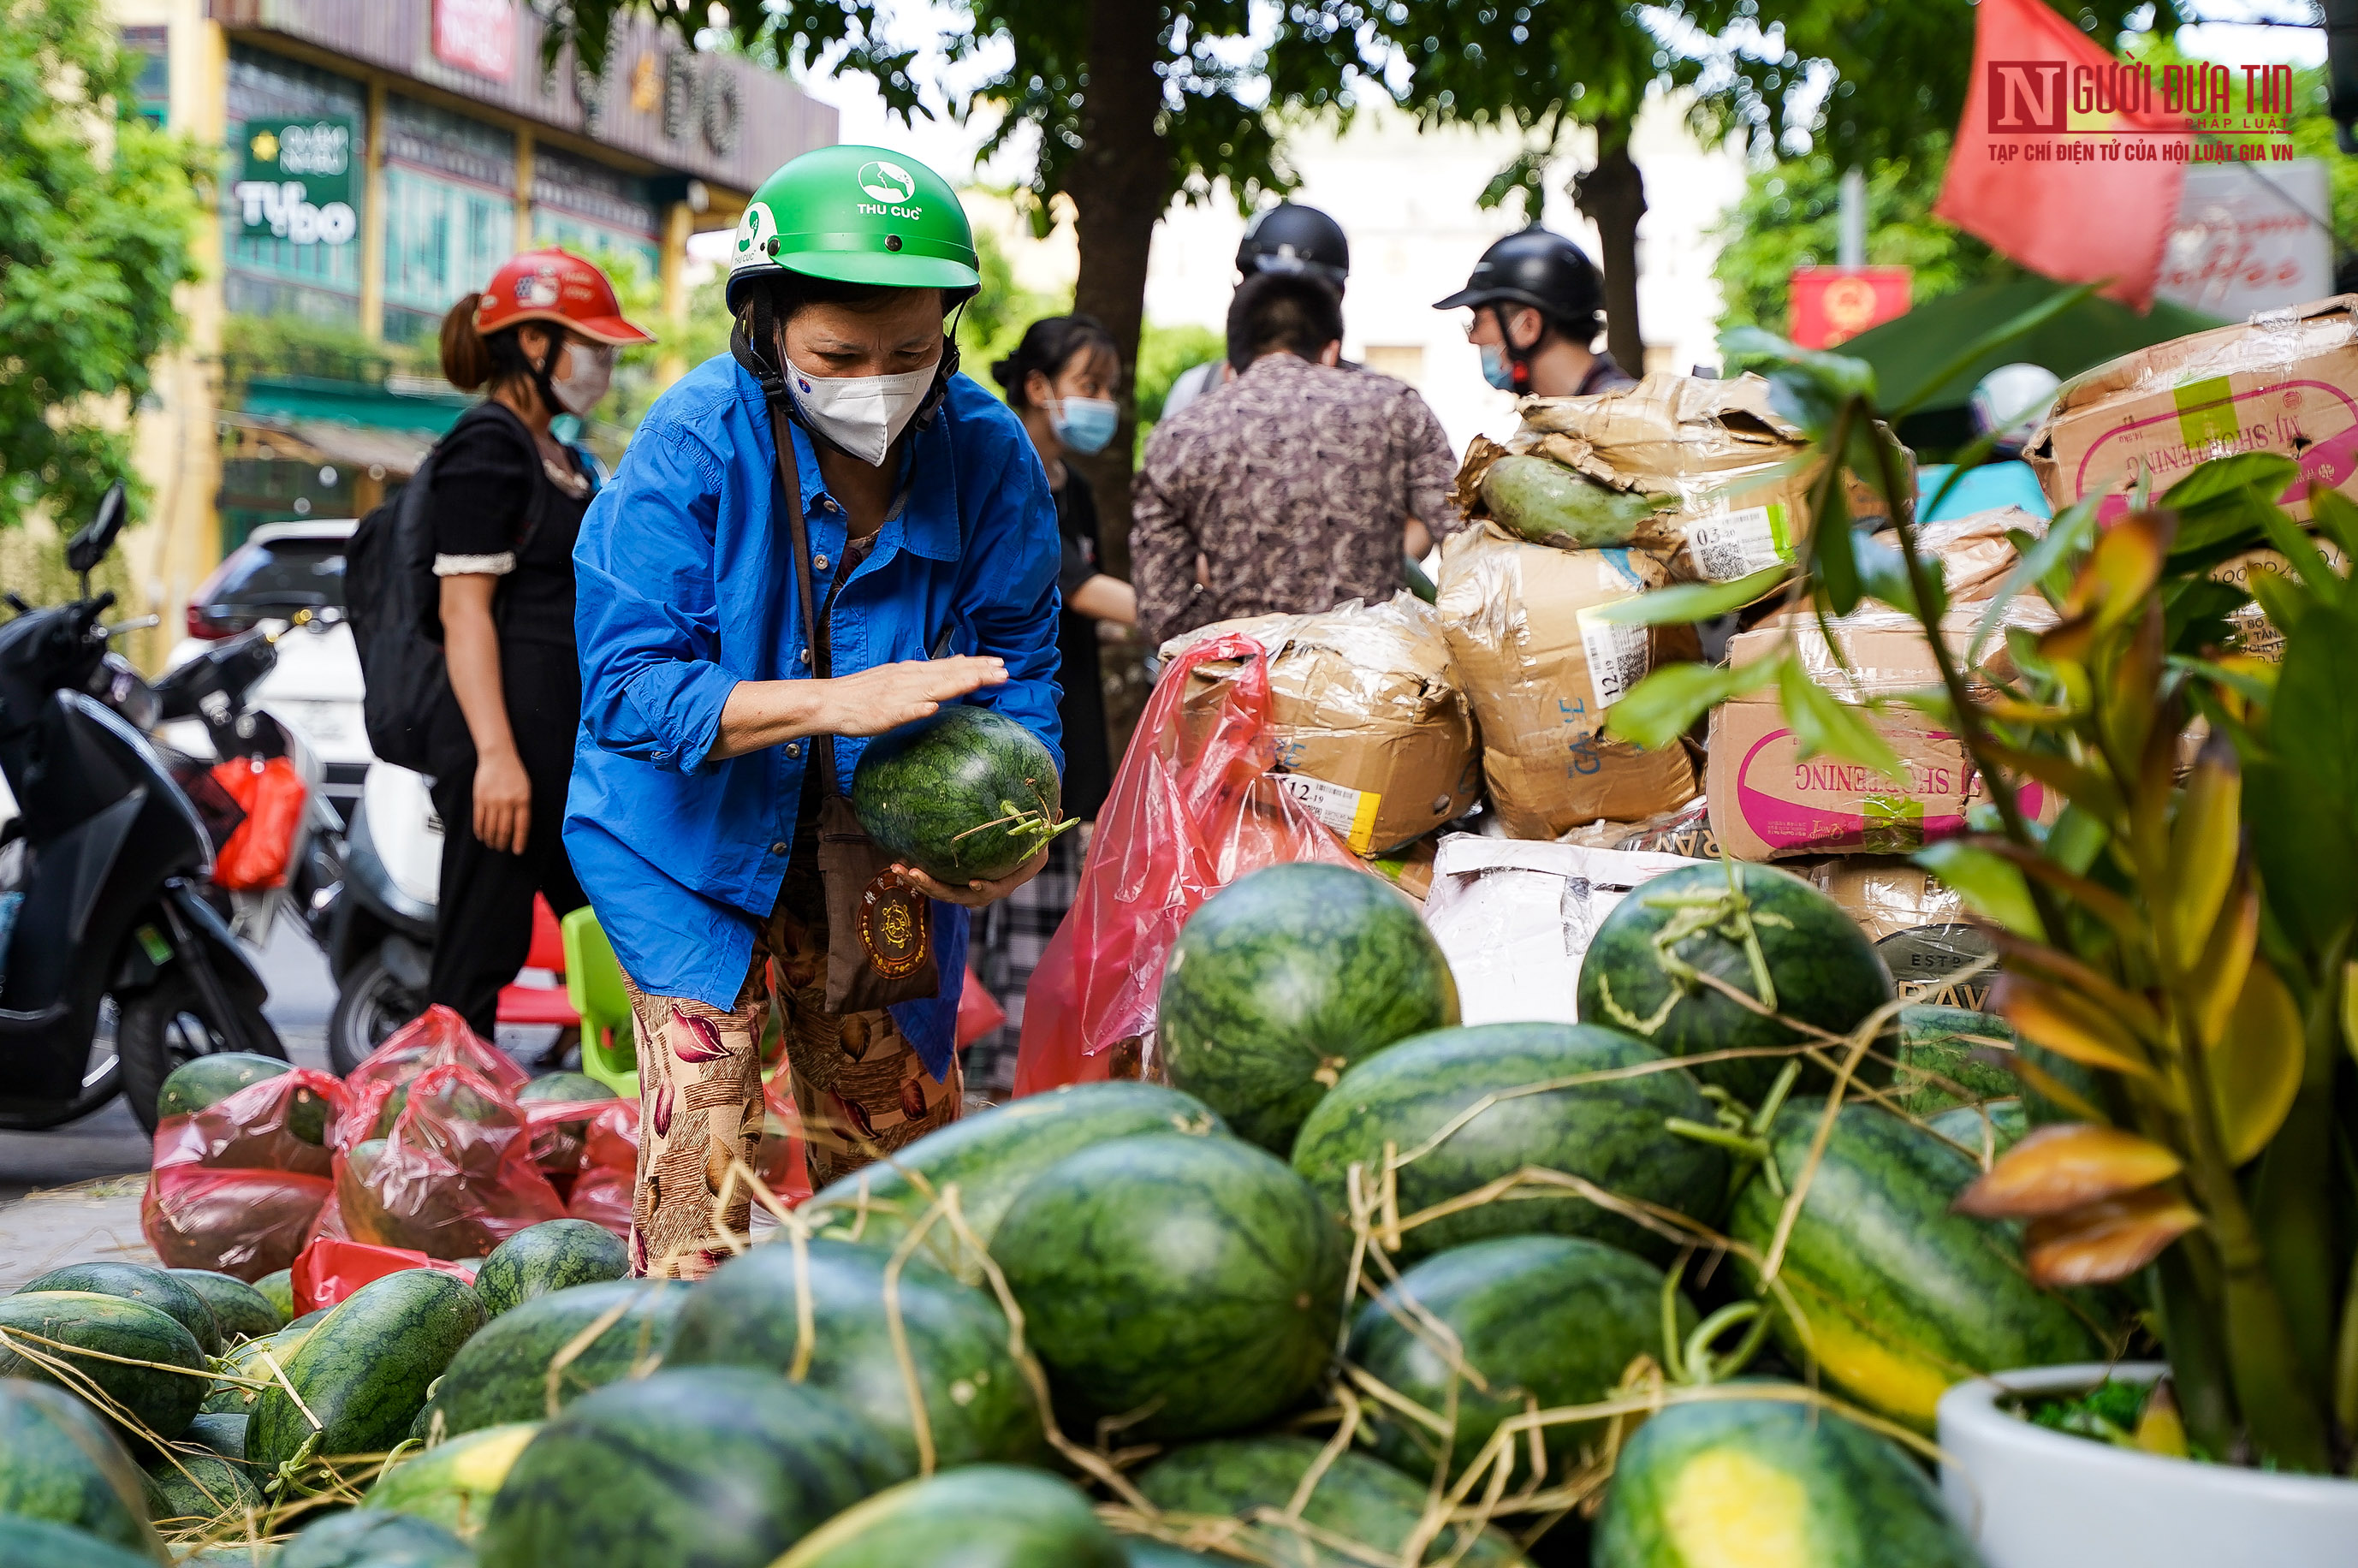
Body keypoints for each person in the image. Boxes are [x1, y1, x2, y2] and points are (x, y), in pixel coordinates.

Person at [567, 146, 1062, 1277]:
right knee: (704, 1149)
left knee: (887, 1174)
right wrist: (837, 702)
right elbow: (628, 687)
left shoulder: (988, 457)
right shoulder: (690, 443)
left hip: (878, 857)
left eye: (911, 352)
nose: (878, 381)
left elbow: (1021, 656)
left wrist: (1009, 836)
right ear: (766, 329)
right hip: (686, 843)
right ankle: (681, 1401)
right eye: (838, 354)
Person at [425, 249, 652, 1042]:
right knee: (475, 964)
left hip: (567, 757)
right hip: (506, 758)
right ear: (533, 345)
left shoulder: (560, 452)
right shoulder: (485, 446)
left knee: (626, 945)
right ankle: (437, 1144)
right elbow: (465, 611)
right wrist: (496, 757)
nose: (604, 365)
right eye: (592, 346)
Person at [970, 315, 1136, 1096]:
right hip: (997, 728)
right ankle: (980, 1079)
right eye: (1089, 387)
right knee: (991, 917)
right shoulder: (999, 468)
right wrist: (1192, 613)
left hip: (1061, 723)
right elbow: (1075, 587)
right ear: (1037, 389)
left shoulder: (1076, 486)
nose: (1102, 404)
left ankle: (1023, 1079)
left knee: (1049, 916)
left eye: (1108, 390)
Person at [1131, 270, 1461, 654]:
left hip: (1247, 694)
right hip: (1380, 684)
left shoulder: (1178, 438)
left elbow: (1163, 615)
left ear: (1231, 368)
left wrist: (1243, 620)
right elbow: (1468, 544)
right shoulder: (1396, 407)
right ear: (1331, 351)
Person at [1161, 202, 1352, 420]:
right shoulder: (1198, 388)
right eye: (1267, 291)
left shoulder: (1375, 403)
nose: (1283, 310)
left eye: (1298, 298)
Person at [1436, 226, 1636, 399]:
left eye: (1478, 322)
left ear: (1528, 325)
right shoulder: (1571, 419)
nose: (1474, 338)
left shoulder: (1623, 422)